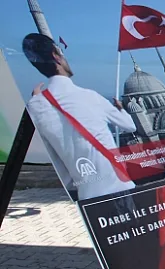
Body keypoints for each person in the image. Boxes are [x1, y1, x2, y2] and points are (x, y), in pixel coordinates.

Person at [22, 33, 136, 201]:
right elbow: (130, 126)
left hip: (86, 196)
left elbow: (53, 158)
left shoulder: (35, 107)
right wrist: (121, 110)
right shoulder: (89, 96)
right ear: (56, 56)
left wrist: (36, 101)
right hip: (120, 187)